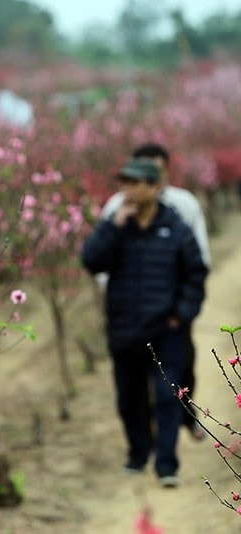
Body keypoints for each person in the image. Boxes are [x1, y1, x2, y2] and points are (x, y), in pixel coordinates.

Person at [81, 158, 208, 488]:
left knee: (168, 397)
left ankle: (166, 464)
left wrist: (181, 314)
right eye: (125, 183)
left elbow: (196, 273)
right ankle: (138, 453)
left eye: (136, 183)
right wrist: (112, 226)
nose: (129, 190)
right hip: (124, 327)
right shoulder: (117, 227)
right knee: (129, 398)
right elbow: (91, 261)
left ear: (155, 187)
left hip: (165, 331)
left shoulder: (176, 228)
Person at [100, 143, 210, 441]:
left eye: (155, 171)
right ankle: (147, 432)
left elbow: (198, 256)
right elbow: (99, 259)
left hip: (172, 310)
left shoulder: (183, 204)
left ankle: (186, 417)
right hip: (129, 313)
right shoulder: (116, 206)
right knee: (134, 380)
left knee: (180, 370)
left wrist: (183, 309)